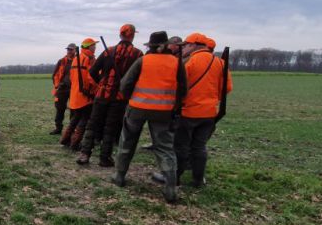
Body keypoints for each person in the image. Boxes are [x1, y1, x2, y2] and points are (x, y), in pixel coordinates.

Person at [111, 31, 188, 203]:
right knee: (165, 148)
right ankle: (170, 188)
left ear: (150, 46)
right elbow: (183, 90)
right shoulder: (177, 63)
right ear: (166, 45)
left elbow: (124, 84)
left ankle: (119, 176)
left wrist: (129, 98)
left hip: (137, 108)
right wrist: (174, 107)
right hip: (164, 111)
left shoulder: (143, 61)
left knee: (127, 142)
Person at [77, 24, 143, 167]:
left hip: (102, 95)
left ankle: (84, 154)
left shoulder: (109, 51)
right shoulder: (138, 54)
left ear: (120, 35)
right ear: (132, 36)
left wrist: (102, 84)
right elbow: (139, 78)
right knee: (110, 127)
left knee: (92, 124)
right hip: (120, 98)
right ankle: (104, 158)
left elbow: (92, 72)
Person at [173, 33, 232, 187]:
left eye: (186, 45)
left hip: (188, 112)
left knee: (181, 146)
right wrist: (210, 98)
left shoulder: (189, 62)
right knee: (199, 147)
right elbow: (227, 88)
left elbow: (179, 86)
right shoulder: (220, 62)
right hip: (209, 113)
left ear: (193, 45)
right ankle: (198, 180)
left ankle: (175, 178)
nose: (184, 48)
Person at [60, 39, 97, 150]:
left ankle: (65, 139)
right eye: (94, 45)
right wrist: (96, 88)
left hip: (75, 94)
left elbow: (72, 77)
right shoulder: (89, 58)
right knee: (84, 120)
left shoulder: (76, 58)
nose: (95, 47)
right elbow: (91, 77)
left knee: (75, 119)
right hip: (85, 96)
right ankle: (75, 143)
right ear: (89, 47)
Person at [50, 43, 77, 134]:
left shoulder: (78, 61)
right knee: (60, 108)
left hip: (74, 89)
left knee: (74, 109)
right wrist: (57, 85)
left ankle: (71, 129)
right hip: (62, 88)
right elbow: (55, 75)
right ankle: (58, 128)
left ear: (75, 50)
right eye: (68, 49)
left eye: (71, 49)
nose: (69, 51)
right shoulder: (61, 61)